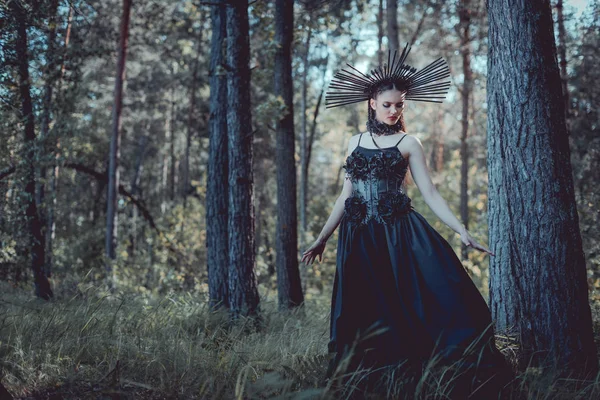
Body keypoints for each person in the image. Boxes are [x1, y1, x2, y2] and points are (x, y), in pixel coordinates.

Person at [301, 45, 513, 397]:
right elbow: (345, 196)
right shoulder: (354, 142)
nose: (394, 110)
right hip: (360, 239)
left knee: (434, 296)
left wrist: (461, 230)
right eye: (387, 104)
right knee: (367, 311)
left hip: (399, 235)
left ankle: (436, 377)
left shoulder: (409, 142)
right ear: (372, 102)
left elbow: (429, 193)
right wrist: (323, 237)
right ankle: (374, 384)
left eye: (400, 104)